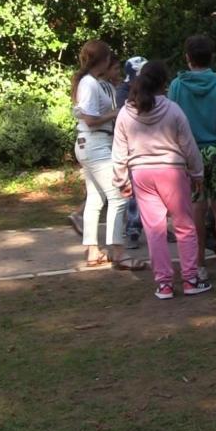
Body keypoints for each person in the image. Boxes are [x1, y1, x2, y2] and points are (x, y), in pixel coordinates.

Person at [112, 61, 209, 300]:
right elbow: (188, 144)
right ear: (163, 84)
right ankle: (190, 279)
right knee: (185, 226)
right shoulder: (173, 109)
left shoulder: (126, 112)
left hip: (142, 174)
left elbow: (119, 150)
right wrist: (198, 173)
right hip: (172, 173)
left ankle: (164, 284)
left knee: (154, 230)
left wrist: (121, 180)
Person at [168, 35, 216, 280]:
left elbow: (171, 121)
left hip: (189, 153)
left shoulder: (176, 86)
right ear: (211, 57)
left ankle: (197, 265)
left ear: (188, 57)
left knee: (195, 209)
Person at [71, 40, 139, 270]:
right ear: (103, 60)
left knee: (96, 198)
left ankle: (92, 250)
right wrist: (117, 112)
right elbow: (90, 120)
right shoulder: (89, 84)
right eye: (109, 58)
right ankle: (118, 252)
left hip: (92, 144)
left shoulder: (96, 83)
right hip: (95, 142)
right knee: (119, 196)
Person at [116, 56, 148, 248]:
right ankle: (133, 230)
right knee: (134, 193)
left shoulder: (148, 91)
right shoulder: (123, 92)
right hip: (130, 148)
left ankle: (160, 228)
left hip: (148, 146)